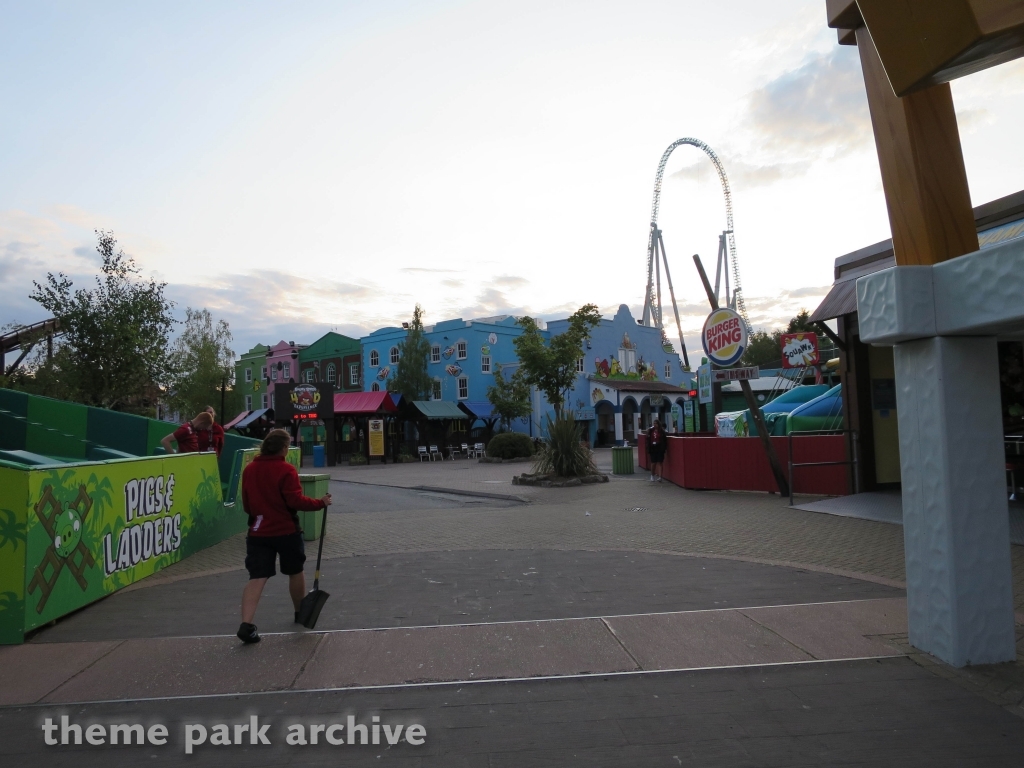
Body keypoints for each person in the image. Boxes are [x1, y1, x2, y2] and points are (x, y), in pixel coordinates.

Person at [237, 428, 332, 644]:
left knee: (257, 577)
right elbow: (295, 501)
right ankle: (300, 613)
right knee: (295, 571)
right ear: (283, 448)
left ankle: (246, 624)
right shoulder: (286, 470)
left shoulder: (250, 470)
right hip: (286, 530)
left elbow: (247, 505)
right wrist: (320, 503)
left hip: (258, 531)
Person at [646, 417, 666, 482]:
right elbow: (647, 438)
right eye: (654, 423)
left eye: (656, 423)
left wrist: (664, 448)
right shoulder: (651, 431)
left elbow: (664, 439)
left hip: (660, 448)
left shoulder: (661, 431)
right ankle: (652, 475)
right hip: (653, 448)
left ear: (658, 424)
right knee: (653, 462)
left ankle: (660, 477)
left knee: (660, 462)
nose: (655, 425)